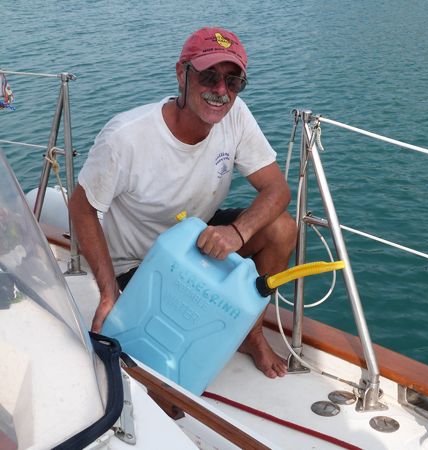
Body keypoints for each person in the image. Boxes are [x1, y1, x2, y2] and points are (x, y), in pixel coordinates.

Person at [69, 27, 296, 378]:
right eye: (209, 76)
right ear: (181, 73)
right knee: (168, 381)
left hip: (195, 239)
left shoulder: (236, 115)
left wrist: (237, 232)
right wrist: (108, 292)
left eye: (233, 81)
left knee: (282, 229)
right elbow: (82, 207)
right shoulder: (126, 137)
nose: (221, 91)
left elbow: (277, 189)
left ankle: (251, 334)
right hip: (140, 263)